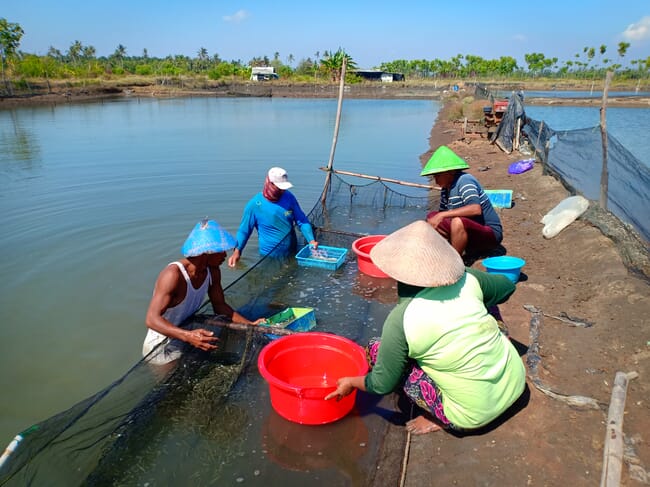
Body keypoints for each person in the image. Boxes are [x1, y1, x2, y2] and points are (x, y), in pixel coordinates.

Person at [325, 220, 525, 435]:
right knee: (487, 298)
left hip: (472, 416)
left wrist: (351, 382)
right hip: (515, 384)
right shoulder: (468, 279)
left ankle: (439, 417)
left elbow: (382, 385)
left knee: (376, 349)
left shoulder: (401, 319)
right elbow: (506, 287)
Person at [143, 219, 262, 365]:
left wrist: (251, 325)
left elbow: (220, 306)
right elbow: (151, 319)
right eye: (221, 251)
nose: (225, 255)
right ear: (207, 253)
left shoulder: (213, 271)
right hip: (162, 344)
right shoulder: (173, 275)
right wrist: (188, 336)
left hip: (188, 332)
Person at [421, 145, 502, 257]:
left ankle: (456, 261)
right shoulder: (446, 189)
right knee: (432, 217)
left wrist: (443, 215)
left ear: (451, 172)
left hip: (489, 234)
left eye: (438, 176)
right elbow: (441, 217)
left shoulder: (464, 180)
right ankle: (445, 251)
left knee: (457, 221)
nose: (436, 180)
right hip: (468, 231)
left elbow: (475, 209)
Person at [228, 166, 318, 267]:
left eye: (284, 188)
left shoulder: (289, 197)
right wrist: (237, 251)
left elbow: (302, 220)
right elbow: (244, 230)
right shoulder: (255, 205)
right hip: (269, 257)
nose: (282, 191)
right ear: (270, 183)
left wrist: (311, 240)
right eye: (279, 188)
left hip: (292, 252)